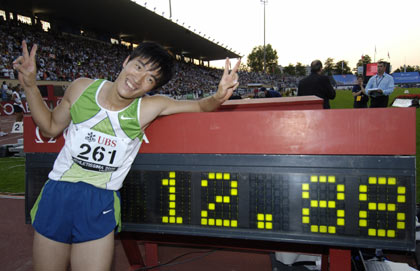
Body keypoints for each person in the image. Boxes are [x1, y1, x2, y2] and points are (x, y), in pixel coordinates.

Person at [13, 40, 240, 271]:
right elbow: (51, 127)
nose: (138, 79)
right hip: (58, 192)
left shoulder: (149, 108)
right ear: (126, 62)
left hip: (99, 200)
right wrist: (31, 86)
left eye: (150, 79)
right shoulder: (82, 88)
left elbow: (201, 106)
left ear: (152, 87)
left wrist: (219, 96)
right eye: (139, 67)